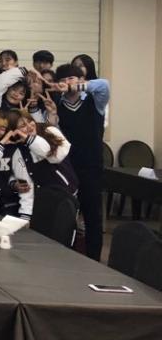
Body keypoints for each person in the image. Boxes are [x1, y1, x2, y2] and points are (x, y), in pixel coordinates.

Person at [53, 63, 109, 260]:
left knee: (92, 216)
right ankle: (65, 258)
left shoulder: (95, 100)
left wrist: (74, 86)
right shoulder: (57, 104)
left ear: (81, 80)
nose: (67, 83)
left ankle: (94, 260)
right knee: (66, 215)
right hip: (66, 168)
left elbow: (104, 85)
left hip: (91, 168)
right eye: (62, 80)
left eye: (71, 78)